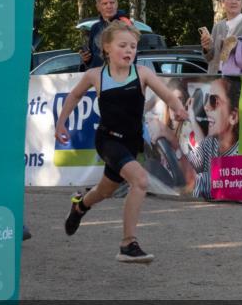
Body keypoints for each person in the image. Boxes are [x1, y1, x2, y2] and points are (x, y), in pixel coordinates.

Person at [56, 21, 187, 263]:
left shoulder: (142, 74)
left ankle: (80, 206)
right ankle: (128, 244)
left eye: (133, 47)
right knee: (141, 180)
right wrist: (61, 123)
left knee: (106, 191)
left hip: (130, 143)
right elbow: (74, 96)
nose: (129, 50)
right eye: (123, 45)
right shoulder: (95, 75)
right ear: (106, 48)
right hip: (107, 140)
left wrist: (178, 108)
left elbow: (167, 94)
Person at [183, 76, 242, 200]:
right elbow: (191, 166)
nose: (205, 107)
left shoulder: (241, 155)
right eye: (206, 99)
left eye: (213, 100)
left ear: (233, 117)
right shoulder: (210, 143)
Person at [80, 0, 133, 69]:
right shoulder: (95, 28)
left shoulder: (125, 24)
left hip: (120, 76)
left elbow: (132, 55)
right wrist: (86, 59)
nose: (109, 6)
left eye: (112, 2)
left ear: (117, 4)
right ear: (98, 7)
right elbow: (93, 59)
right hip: (97, 76)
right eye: (105, 3)